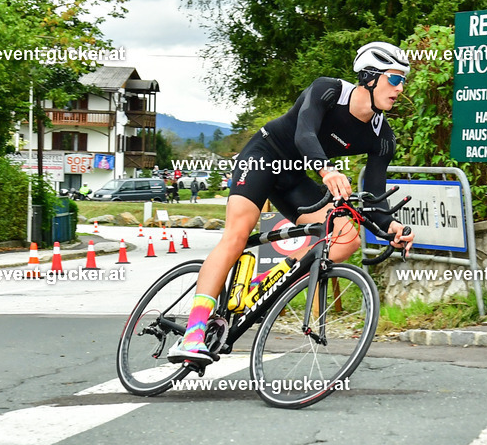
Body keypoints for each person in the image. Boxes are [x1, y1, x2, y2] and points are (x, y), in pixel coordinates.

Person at [168, 42, 415, 366]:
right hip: (264, 157)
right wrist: (326, 170)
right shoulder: (328, 91)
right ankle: (193, 333)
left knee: (346, 240)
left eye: (403, 82)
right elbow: (304, 134)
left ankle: (261, 288)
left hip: (295, 177)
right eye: (395, 79)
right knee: (237, 235)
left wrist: (390, 227)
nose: (400, 89)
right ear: (369, 77)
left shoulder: (383, 137)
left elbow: (374, 193)